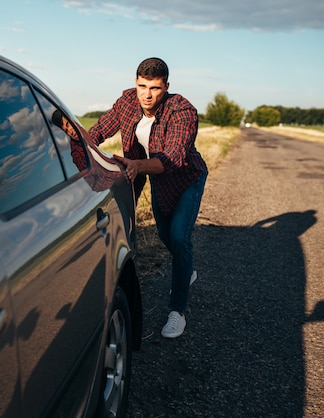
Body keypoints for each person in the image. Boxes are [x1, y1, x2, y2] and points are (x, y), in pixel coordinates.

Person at [88, 57, 208, 338]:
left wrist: (136, 166)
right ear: (135, 82)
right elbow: (100, 130)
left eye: (154, 88)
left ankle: (177, 311)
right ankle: (185, 266)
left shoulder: (182, 110)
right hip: (158, 181)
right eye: (142, 86)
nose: (147, 94)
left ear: (166, 87)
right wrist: (80, 146)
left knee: (179, 236)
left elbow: (174, 157)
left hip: (187, 178)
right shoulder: (128, 101)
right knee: (165, 235)